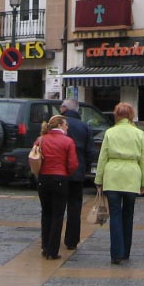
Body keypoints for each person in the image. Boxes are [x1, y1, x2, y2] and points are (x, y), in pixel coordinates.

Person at [94, 102, 144, 265]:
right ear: (131, 115)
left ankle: (116, 253)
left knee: (115, 214)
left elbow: (102, 157)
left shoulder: (110, 133)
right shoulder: (139, 134)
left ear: (116, 115)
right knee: (128, 215)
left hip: (113, 176)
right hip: (132, 175)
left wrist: (99, 180)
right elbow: (143, 159)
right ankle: (126, 251)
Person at [35, 114, 78, 260]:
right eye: (66, 124)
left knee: (45, 213)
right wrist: (66, 173)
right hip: (60, 179)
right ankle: (53, 250)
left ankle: (45, 246)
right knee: (58, 215)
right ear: (60, 125)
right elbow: (73, 164)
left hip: (43, 179)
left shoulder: (41, 139)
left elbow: (34, 157)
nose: (67, 127)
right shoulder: (68, 142)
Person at [59, 97, 90, 250]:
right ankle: (72, 240)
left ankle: (52, 239)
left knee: (57, 207)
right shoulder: (84, 126)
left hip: (59, 172)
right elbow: (90, 151)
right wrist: (86, 167)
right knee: (74, 208)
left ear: (65, 108)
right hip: (77, 172)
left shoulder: (58, 125)